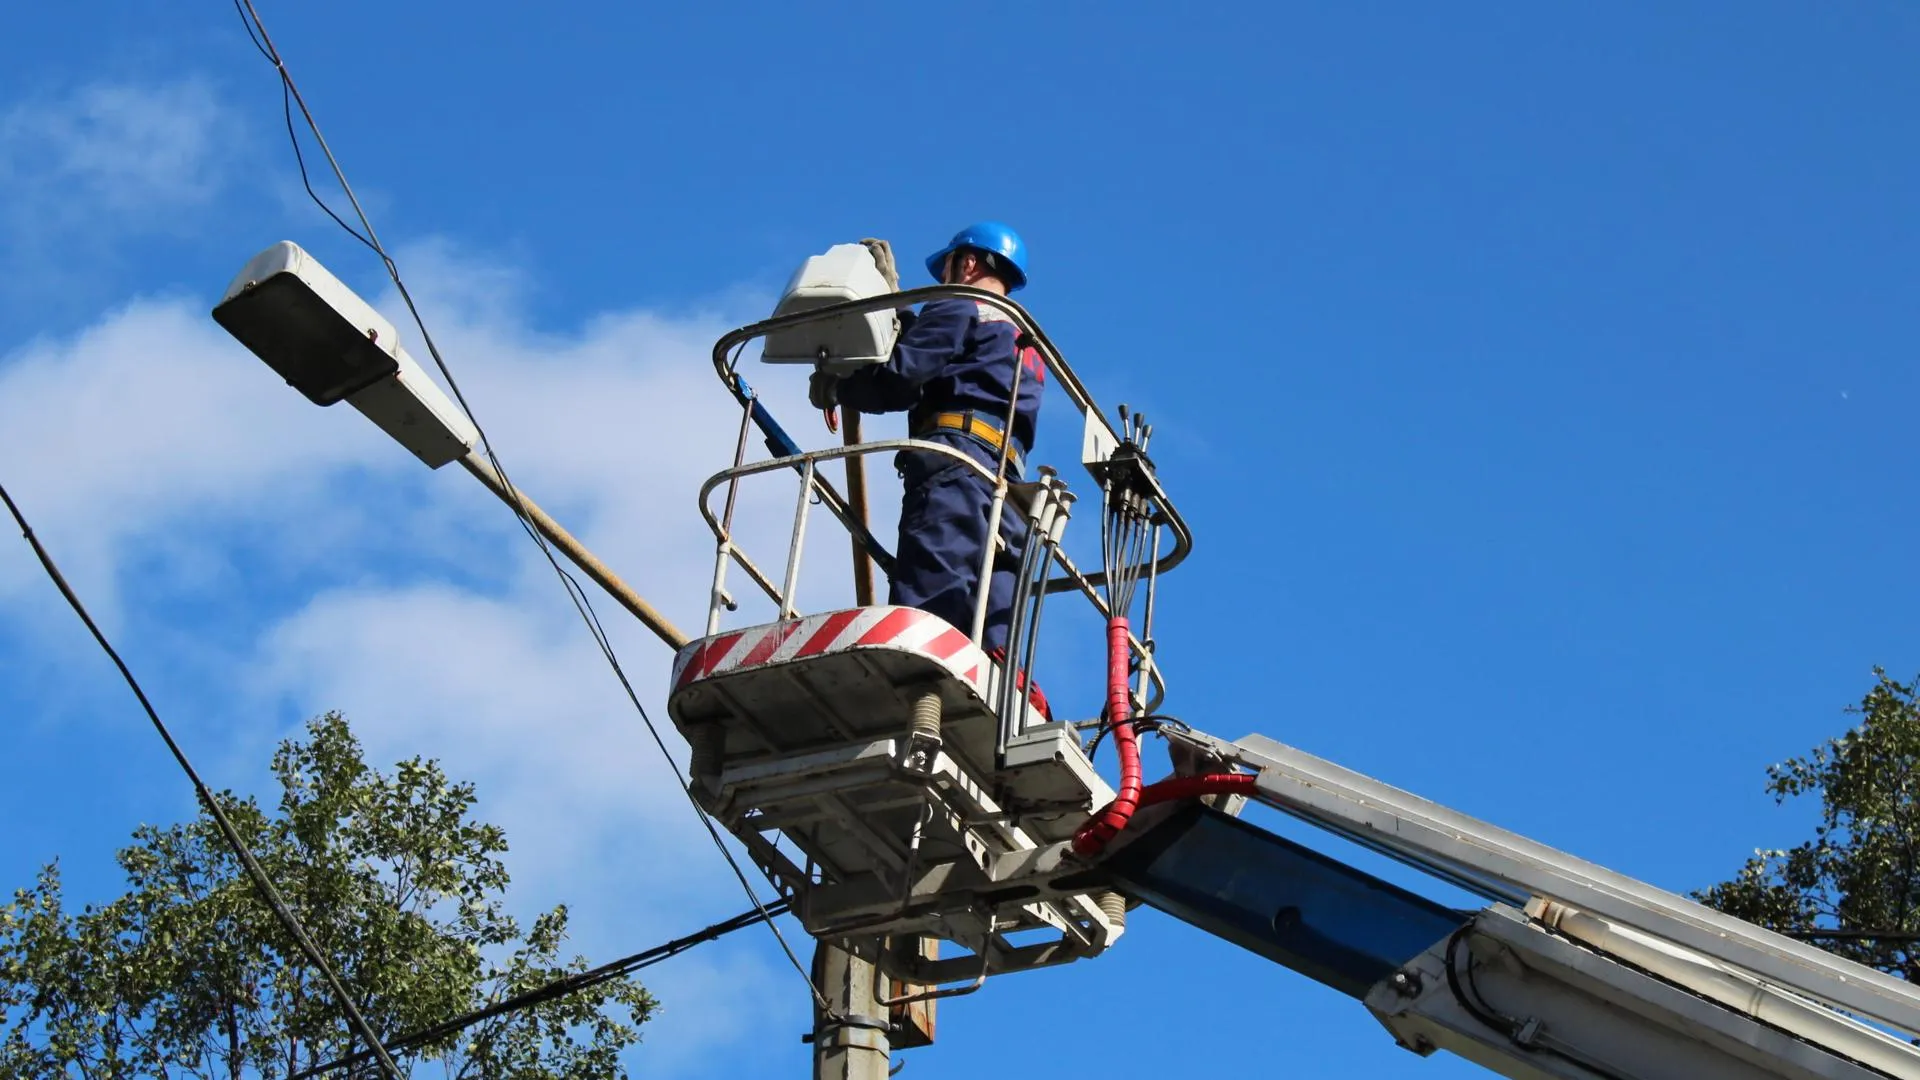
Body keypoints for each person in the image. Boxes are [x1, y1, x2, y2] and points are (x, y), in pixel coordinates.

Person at [810, 222, 1045, 658]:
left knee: (931, 613)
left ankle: (921, 693)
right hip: (1006, 487)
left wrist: (840, 386)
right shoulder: (1021, 335)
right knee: (991, 629)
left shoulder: (960, 303)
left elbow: (902, 378)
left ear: (969, 263)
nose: (943, 282)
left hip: (955, 469)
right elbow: (952, 360)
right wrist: (899, 312)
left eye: (948, 270)